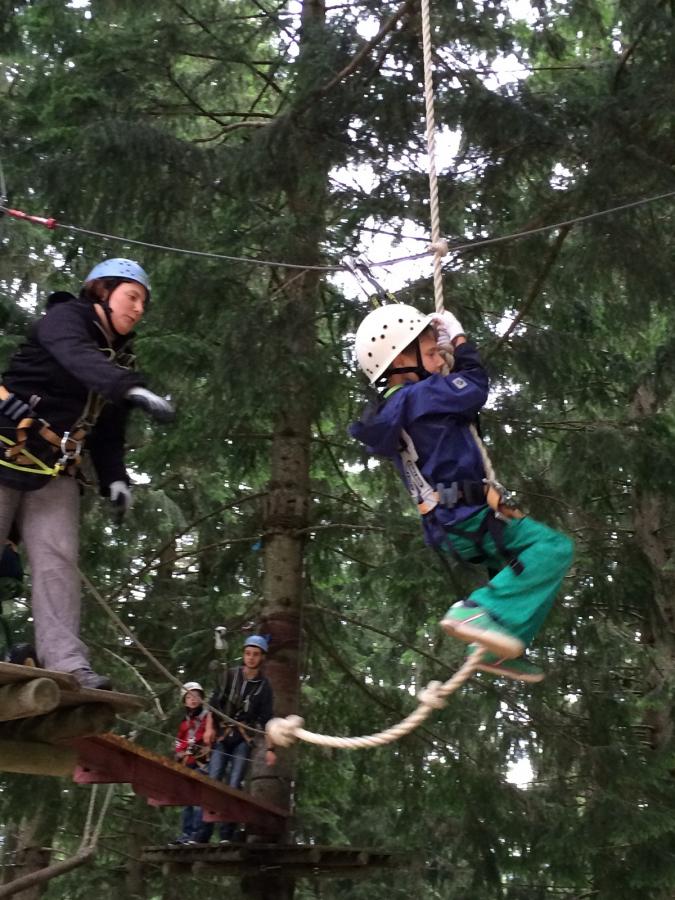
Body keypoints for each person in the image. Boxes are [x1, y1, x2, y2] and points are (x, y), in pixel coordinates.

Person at [350, 303, 574, 683]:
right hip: (468, 517)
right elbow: (475, 386)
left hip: (454, 521)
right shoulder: (417, 397)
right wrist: (460, 340)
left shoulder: (395, 410)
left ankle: (493, 646)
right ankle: (476, 611)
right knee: (554, 549)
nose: (441, 361)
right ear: (402, 358)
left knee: (520, 567)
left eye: (441, 353)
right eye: (433, 353)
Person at [0, 258, 174, 689]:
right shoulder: (65, 319)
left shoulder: (117, 355)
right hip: (5, 451)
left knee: (58, 563)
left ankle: (66, 665)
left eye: (143, 304)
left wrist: (115, 477)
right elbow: (77, 358)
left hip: (56, 469)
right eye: (132, 296)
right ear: (102, 290)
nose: (138, 309)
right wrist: (127, 385)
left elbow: (107, 428)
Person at [192, 634, 277, 844]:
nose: (251, 658)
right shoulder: (230, 676)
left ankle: (226, 835)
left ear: (262, 658)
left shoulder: (264, 687)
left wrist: (270, 748)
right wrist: (209, 729)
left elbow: (267, 720)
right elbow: (213, 705)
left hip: (242, 738)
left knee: (233, 783)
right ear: (243, 655)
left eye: (256, 655)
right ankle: (201, 835)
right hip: (222, 735)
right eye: (248, 654)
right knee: (213, 781)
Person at [171, 682, 210, 846]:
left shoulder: (208, 718)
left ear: (201, 698)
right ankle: (186, 834)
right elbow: (180, 743)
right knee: (188, 801)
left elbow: (210, 738)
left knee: (199, 800)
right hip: (188, 762)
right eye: (188, 697)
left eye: (195, 696)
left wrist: (198, 748)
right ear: (184, 701)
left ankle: (197, 835)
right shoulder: (184, 722)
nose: (192, 700)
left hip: (203, 762)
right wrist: (180, 753)